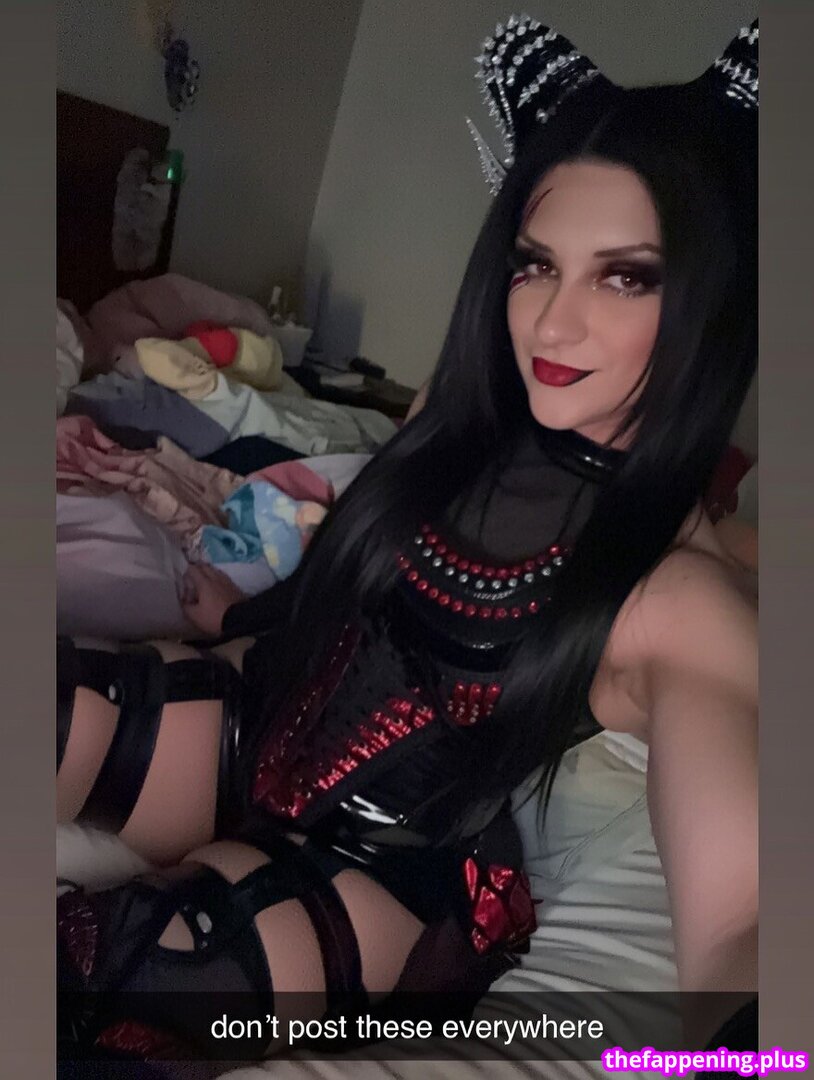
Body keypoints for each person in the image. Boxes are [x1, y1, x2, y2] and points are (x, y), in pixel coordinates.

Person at [57, 14, 758, 1064]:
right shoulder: (460, 421)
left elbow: (742, 922)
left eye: (625, 277)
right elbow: (358, 595)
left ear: (716, 298)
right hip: (257, 711)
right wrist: (247, 612)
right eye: (535, 265)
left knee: (97, 977)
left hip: (383, 870)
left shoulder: (684, 597)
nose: (552, 324)